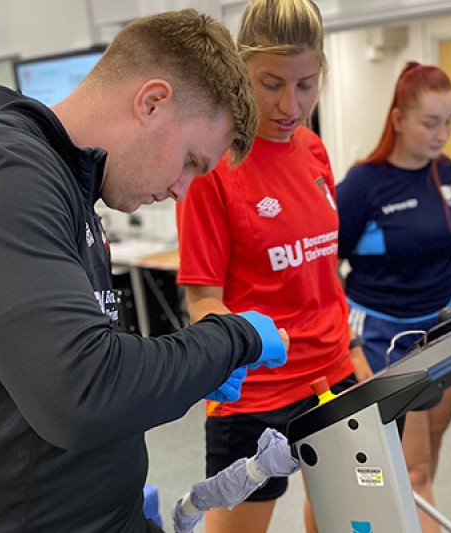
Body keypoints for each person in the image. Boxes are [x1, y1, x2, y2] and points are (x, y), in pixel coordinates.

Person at [0, 10, 291, 533]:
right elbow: (85, 394)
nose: (182, 190)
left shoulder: (69, 191)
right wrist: (230, 339)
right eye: (190, 161)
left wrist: (191, 371)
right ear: (152, 102)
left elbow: (86, 360)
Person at [175, 1, 372, 532]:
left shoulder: (313, 151)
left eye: (306, 84)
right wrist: (231, 349)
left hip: (331, 375)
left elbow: (324, 271)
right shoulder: (214, 165)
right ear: (241, 72)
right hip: (256, 395)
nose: (291, 104)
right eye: (271, 83)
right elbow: (202, 297)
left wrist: (353, 352)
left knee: (343, 519)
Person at [336, 61, 451, 533]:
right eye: (430, 122)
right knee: (409, 468)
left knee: (426, 458)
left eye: (449, 121)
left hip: (445, 327)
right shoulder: (361, 186)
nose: (442, 133)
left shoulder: (445, 172)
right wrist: (348, 344)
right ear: (397, 120)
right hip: (384, 337)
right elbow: (325, 267)